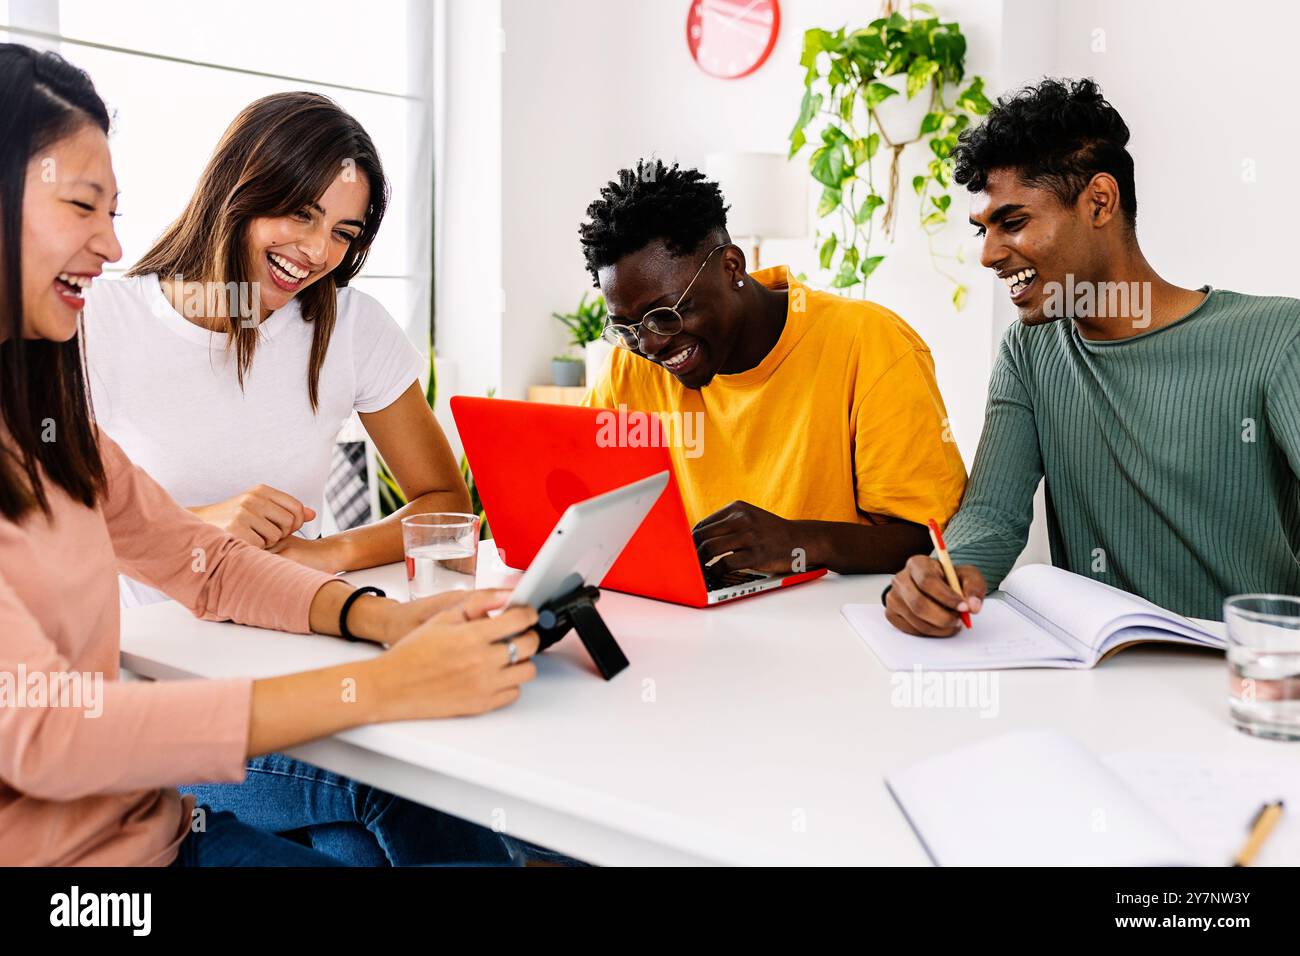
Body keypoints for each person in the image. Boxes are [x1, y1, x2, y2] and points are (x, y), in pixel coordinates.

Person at [0, 43, 539, 866]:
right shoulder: (101, 334)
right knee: (393, 798)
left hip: (161, 828)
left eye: (115, 211)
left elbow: (207, 566)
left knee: (366, 836)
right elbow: (51, 732)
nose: (113, 245)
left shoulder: (49, 419)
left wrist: (386, 620)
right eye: (83, 206)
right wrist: (391, 681)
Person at [884, 77, 1300, 636]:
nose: (987, 255)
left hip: (1250, 683)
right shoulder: (1028, 351)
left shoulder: (1277, 337)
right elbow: (992, 516)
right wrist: (944, 577)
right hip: (1104, 680)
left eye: (1013, 222)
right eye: (983, 229)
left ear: (1099, 202)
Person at [84, 91, 469, 609]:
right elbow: (31, 525)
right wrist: (192, 527)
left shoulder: (353, 327)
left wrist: (328, 553)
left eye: (342, 233)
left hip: (295, 627)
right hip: (147, 649)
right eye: (302, 214)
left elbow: (443, 504)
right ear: (239, 188)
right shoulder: (99, 320)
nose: (317, 251)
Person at [579, 160, 967, 575]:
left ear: (731, 267)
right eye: (628, 328)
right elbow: (582, 497)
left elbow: (931, 535)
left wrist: (807, 540)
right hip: (691, 619)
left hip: (833, 623)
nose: (652, 345)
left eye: (668, 315)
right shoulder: (629, 364)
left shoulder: (870, 342)